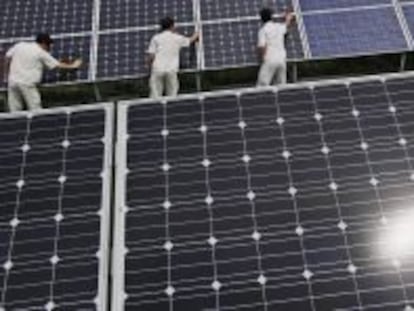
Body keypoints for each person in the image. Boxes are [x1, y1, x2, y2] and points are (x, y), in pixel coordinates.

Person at [4, 33, 82, 112]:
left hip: (12, 82)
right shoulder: (40, 52)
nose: (49, 47)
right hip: (27, 84)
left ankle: (16, 124)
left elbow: (7, 57)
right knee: (36, 109)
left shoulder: (20, 45)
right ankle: (37, 124)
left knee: (14, 111)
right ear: (44, 43)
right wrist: (74, 66)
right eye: (49, 45)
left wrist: (7, 73)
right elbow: (57, 65)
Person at [147, 17, 199, 99]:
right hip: (171, 70)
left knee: (155, 97)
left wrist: (149, 67)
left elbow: (151, 56)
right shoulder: (177, 38)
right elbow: (190, 40)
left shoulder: (156, 38)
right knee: (172, 97)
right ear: (172, 26)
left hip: (157, 69)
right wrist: (196, 34)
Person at [257, 7, 294, 86]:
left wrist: (262, 59)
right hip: (281, 60)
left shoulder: (263, 30)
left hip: (270, 60)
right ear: (271, 17)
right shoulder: (278, 26)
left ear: (261, 19)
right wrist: (288, 17)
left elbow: (262, 46)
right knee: (281, 86)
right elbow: (286, 25)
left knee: (262, 86)